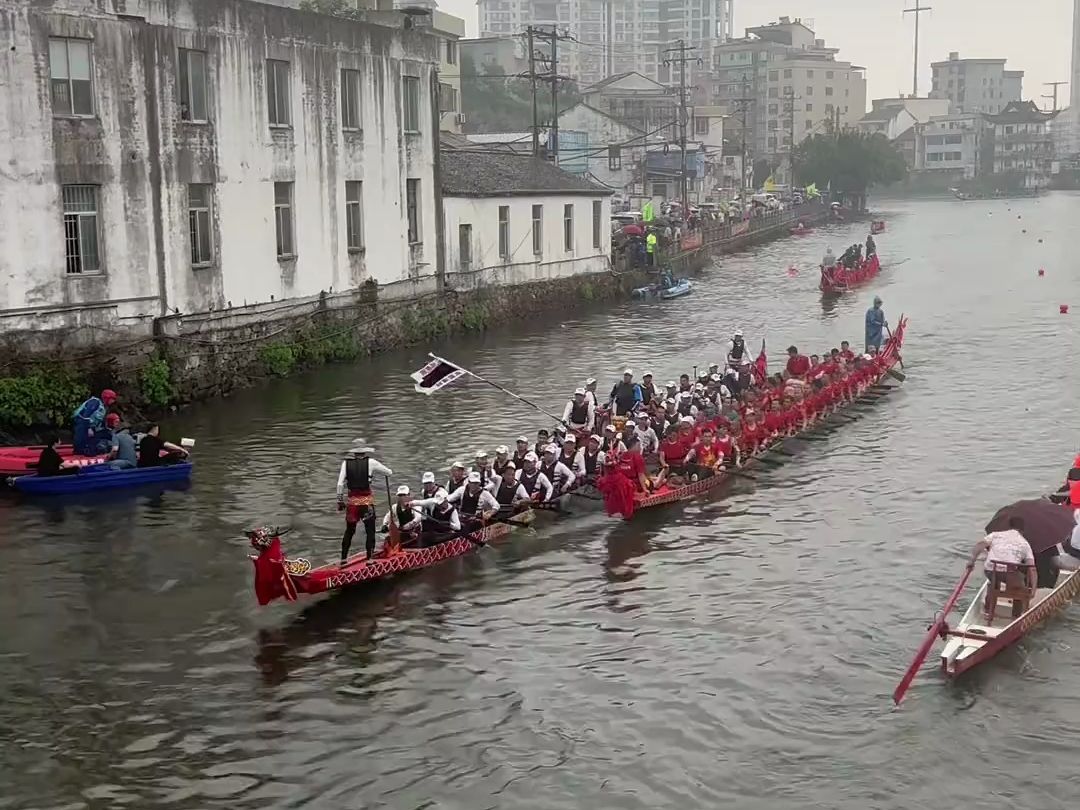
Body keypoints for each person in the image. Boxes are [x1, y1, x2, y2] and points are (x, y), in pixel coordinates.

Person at [336, 442, 392, 563]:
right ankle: (370, 558)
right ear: (364, 452)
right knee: (370, 530)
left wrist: (340, 501)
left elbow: (340, 484)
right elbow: (389, 472)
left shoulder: (346, 464)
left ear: (354, 453)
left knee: (349, 531)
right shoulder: (371, 462)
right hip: (366, 503)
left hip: (352, 503)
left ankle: (343, 559)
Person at [968, 517, 1037, 615]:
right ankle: (1016, 615)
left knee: (994, 580)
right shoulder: (1024, 543)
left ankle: (988, 610)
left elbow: (980, 545)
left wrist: (972, 561)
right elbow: (1032, 568)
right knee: (1020, 588)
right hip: (1009, 573)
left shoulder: (996, 535)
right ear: (1023, 530)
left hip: (990, 569)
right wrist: (1033, 590)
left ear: (1010, 526)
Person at [72, 389, 118, 455]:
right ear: (107, 398)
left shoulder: (103, 407)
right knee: (80, 445)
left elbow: (99, 421)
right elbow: (86, 415)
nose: (112, 402)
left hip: (91, 426)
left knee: (93, 441)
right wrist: (89, 428)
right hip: (82, 423)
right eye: (112, 399)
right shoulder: (95, 402)